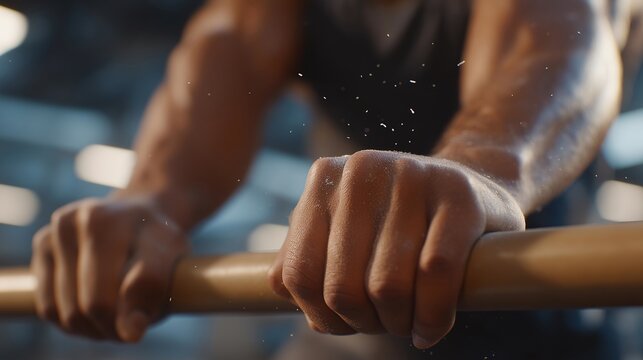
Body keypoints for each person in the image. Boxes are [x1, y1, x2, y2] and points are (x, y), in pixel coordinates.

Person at [30, 0, 643, 357]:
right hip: (342, 338)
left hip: (544, 336)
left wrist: (479, 170)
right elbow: (226, 49)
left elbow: (559, 42)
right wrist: (147, 206)